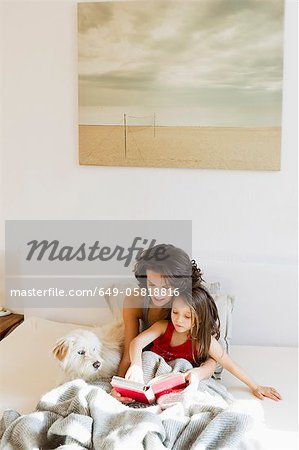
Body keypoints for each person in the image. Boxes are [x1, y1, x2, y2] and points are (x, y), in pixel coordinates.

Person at [125, 286, 282, 402]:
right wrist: (136, 365)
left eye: (187, 316)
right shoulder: (162, 326)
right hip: (153, 377)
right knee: (146, 357)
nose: (179, 320)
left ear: (199, 318)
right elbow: (137, 342)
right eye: (175, 312)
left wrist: (255, 386)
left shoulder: (203, 340)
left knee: (204, 366)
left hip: (178, 380)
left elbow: (230, 364)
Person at [111, 244, 217, 403]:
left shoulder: (187, 302)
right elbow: (129, 350)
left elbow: (212, 356)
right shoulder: (135, 300)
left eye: (166, 287)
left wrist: (198, 373)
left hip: (192, 361)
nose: (157, 293)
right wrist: (118, 386)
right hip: (154, 357)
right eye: (152, 285)